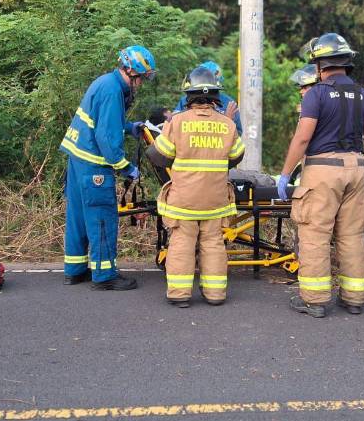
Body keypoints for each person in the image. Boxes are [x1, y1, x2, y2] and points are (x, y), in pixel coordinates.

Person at [277, 33, 364, 318]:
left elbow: (302, 138)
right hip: (357, 168)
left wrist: (286, 174)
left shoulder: (317, 94)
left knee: (314, 234)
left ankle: (315, 300)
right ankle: (354, 298)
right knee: (351, 235)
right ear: (347, 62)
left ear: (320, 64)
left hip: (323, 169)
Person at [60, 45, 156, 290]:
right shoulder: (113, 91)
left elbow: (103, 121)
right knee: (102, 218)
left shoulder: (105, 83)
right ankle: (104, 276)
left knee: (78, 217)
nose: (140, 84)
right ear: (131, 71)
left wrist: (127, 126)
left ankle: (75, 270)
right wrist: (126, 167)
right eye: (141, 79)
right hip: (94, 167)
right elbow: (106, 137)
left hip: (78, 161)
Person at [150, 66, 245, 307]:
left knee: (182, 243)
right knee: (213, 244)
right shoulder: (227, 124)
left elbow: (158, 155)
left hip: (184, 201)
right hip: (215, 201)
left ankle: (180, 295)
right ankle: (215, 295)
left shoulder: (178, 122)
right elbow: (236, 157)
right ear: (215, 96)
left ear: (188, 95)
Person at [174, 61, 242, 134]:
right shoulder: (185, 100)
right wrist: (226, 122)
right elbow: (175, 125)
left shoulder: (229, 103)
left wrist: (227, 123)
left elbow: (238, 132)